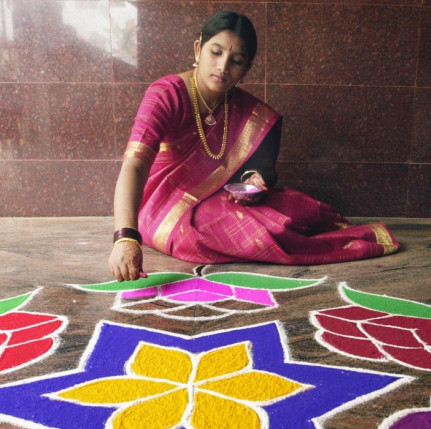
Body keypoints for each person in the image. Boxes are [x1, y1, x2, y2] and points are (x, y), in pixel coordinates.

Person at [109, 10, 400, 281]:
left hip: (217, 196)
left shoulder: (244, 108)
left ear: (246, 68)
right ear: (198, 50)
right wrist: (125, 237)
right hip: (165, 205)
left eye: (236, 60)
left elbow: (261, 165)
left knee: (293, 214)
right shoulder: (166, 95)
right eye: (216, 52)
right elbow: (134, 165)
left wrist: (255, 180)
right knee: (240, 232)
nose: (223, 66)